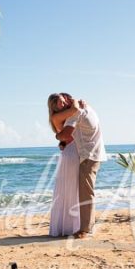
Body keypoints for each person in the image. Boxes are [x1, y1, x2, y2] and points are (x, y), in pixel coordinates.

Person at [48, 93, 106, 238]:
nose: (61, 105)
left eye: (62, 101)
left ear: (68, 100)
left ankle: (85, 229)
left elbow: (66, 134)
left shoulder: (76, 112)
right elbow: (70, 137)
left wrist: (58, 137)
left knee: (86, 192)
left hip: (89, 155)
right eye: (57, 104)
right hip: (92, 153)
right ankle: (84, 227)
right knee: (85, 190)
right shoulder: (84, 108)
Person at [47, 93, 81, 237]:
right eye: (60, 102)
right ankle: (70, 226)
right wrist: (77, 101)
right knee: (70, 189)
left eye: (63, 101)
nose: (63, 104)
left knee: (72, 189)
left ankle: (73, 225)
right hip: (71, 153)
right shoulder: (57, 117)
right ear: (53, 106)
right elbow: (75, 109)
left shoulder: (64, 116)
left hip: (72, 151)